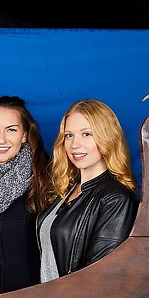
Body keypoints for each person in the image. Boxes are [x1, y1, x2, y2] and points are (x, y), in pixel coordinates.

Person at [36, 99, 138, 282]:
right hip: (47, 297)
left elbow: (99, 277)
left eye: (86, 134)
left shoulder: (115, 199)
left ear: (107, 137)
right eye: (69, 135)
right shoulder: (67, 189)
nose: (75, 144)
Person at [0, 96, 52, 295]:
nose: (1, 139)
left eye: (11, 130)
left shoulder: (46, 177)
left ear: (24, 135)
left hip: (29, 297)